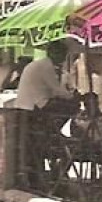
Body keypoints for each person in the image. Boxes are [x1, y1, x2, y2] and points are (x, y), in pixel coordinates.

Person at [14, 40, 79, 191]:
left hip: (30, 107)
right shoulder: (46, 66)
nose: (63, 59)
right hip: (33, 109)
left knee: (35, 147)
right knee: (72, 106)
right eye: (62, 55)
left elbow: (52, 91)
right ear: (53, 53)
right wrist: (74, 96)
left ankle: (56, 130)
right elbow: (56, 90)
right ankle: (56, 129)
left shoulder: (43, 65)